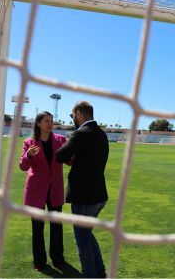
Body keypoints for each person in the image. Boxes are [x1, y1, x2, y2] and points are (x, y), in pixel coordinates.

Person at [56, 101, 109, 278]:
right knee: (87, 235)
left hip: (84, 197)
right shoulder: (101, 134)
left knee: (82, 241)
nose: (72, 119)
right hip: (98, 194)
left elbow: (60, 156)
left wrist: (63, 143)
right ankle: (100, 272)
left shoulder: (81, 134)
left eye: (72, 116)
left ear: (79, 113)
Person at [19, 111, 67, 271]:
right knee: (37, 228)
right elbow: (23, 166)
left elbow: (70, 160)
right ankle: (39, 262)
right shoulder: (29, 142)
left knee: (56, 226)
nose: (50, 123)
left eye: (51, 121)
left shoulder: (60, 140)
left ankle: (58, 259)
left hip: (55, 189)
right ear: (38, 123)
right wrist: (28, 155)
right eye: (46, 120)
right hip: (36, 190)